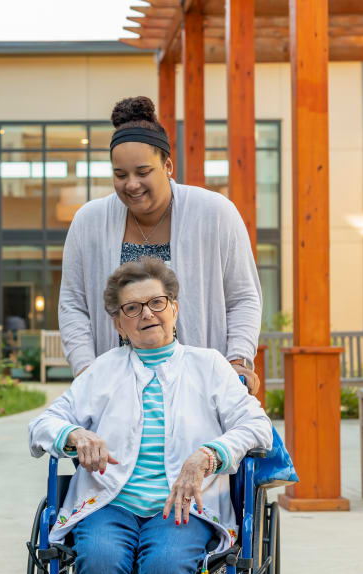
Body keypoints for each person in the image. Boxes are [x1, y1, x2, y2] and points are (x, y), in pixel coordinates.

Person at [29, 258, 271, 574]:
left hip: (182, 505)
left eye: (156, 302)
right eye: (132, 308)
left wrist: (209, 454)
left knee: (166, 564)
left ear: (174, 308)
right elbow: (43, 423)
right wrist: (73, 434)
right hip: (109, 504)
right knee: (99, 563)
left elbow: (257, 426)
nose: (147, 314)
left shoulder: (209, 365)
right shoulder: (102, 371)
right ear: (119, 323)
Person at [59, 96, 262, 394]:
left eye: (143, 172)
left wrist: (237, 360)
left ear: (167, 165)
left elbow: (243, 296)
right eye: (120, 175)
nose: (131, 184)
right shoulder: (88, 221)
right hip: (115, 391)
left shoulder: (216, 213)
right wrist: (87, 370)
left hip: (201, 388)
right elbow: (73, 304)